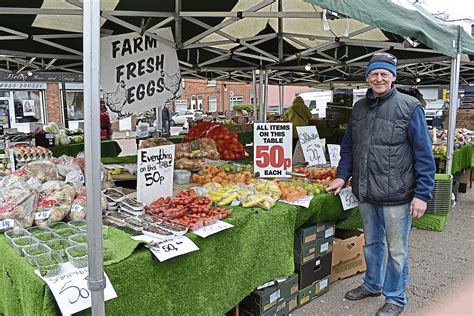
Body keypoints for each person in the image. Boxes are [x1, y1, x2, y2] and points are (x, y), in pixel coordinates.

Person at [326, 52, 435, 316]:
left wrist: (422, 194)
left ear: (393, 77)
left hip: (397, 193)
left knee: (397, 250)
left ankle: (395, 298)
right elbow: (349, 146)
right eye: (374, 74)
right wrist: (342, 175)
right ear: (367, 77)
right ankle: (372, 284)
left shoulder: (410, 106)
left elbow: (423, 153)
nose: (379, 78)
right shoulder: (359, 108)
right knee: (372, 244)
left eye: (384, 74)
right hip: (366, 191)